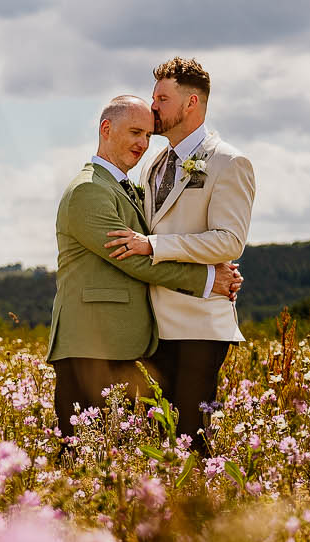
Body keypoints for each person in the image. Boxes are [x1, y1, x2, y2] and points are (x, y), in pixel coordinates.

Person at [47, 96, 241, 442]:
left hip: (119, 346)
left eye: (149, 136)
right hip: (89, 345)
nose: (143, 144)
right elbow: (134, 259)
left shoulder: (126, 188)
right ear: (106, 129)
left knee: (110, 454)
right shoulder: (88, 191)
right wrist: (207, 279)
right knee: (79, 454)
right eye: (135, 132)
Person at [106, 57, 256, 455]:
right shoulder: (154, 163)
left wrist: (154, 246)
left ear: (191, 103)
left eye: (161, 98)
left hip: (199, 323)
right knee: (159, 439)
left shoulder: (229, 162)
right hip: (154, 325)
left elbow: (229, 241)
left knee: (191, 436)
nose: (152, 107)